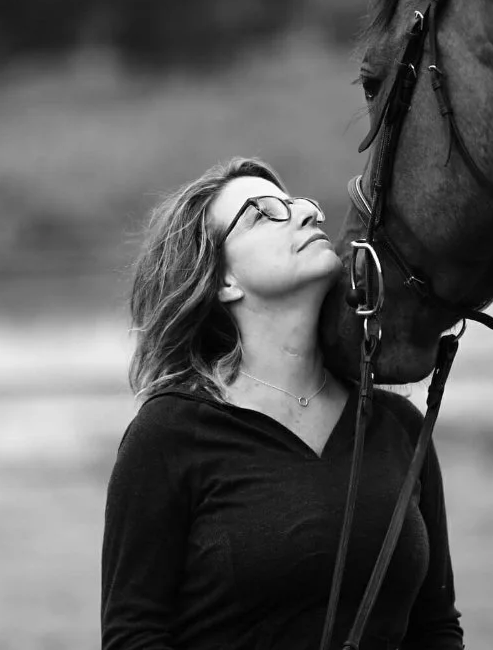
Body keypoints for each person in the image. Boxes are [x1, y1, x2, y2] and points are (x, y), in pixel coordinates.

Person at [100, 156, 463, 650]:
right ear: (222, 280)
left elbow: (437, 630)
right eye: (263, 213)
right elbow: (134, 636)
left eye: (300, 204)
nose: (307, 213)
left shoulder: (397, 426)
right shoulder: (169, 433)